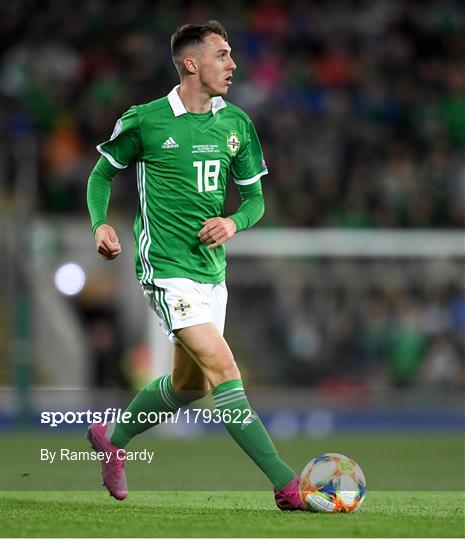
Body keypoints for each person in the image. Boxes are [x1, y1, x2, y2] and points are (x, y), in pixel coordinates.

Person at [86, 20, 303, 511]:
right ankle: (287, 485)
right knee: (225, 369)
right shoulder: (146, 120)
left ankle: (112, 439)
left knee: (191, 385)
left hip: (211, 272)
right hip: (164, 267)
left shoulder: (237, 124)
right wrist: (100, 223)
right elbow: (101, 174)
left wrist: (232, 223)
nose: (232, 64)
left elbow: (255, 201)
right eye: (222, 55)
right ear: (191, 63)